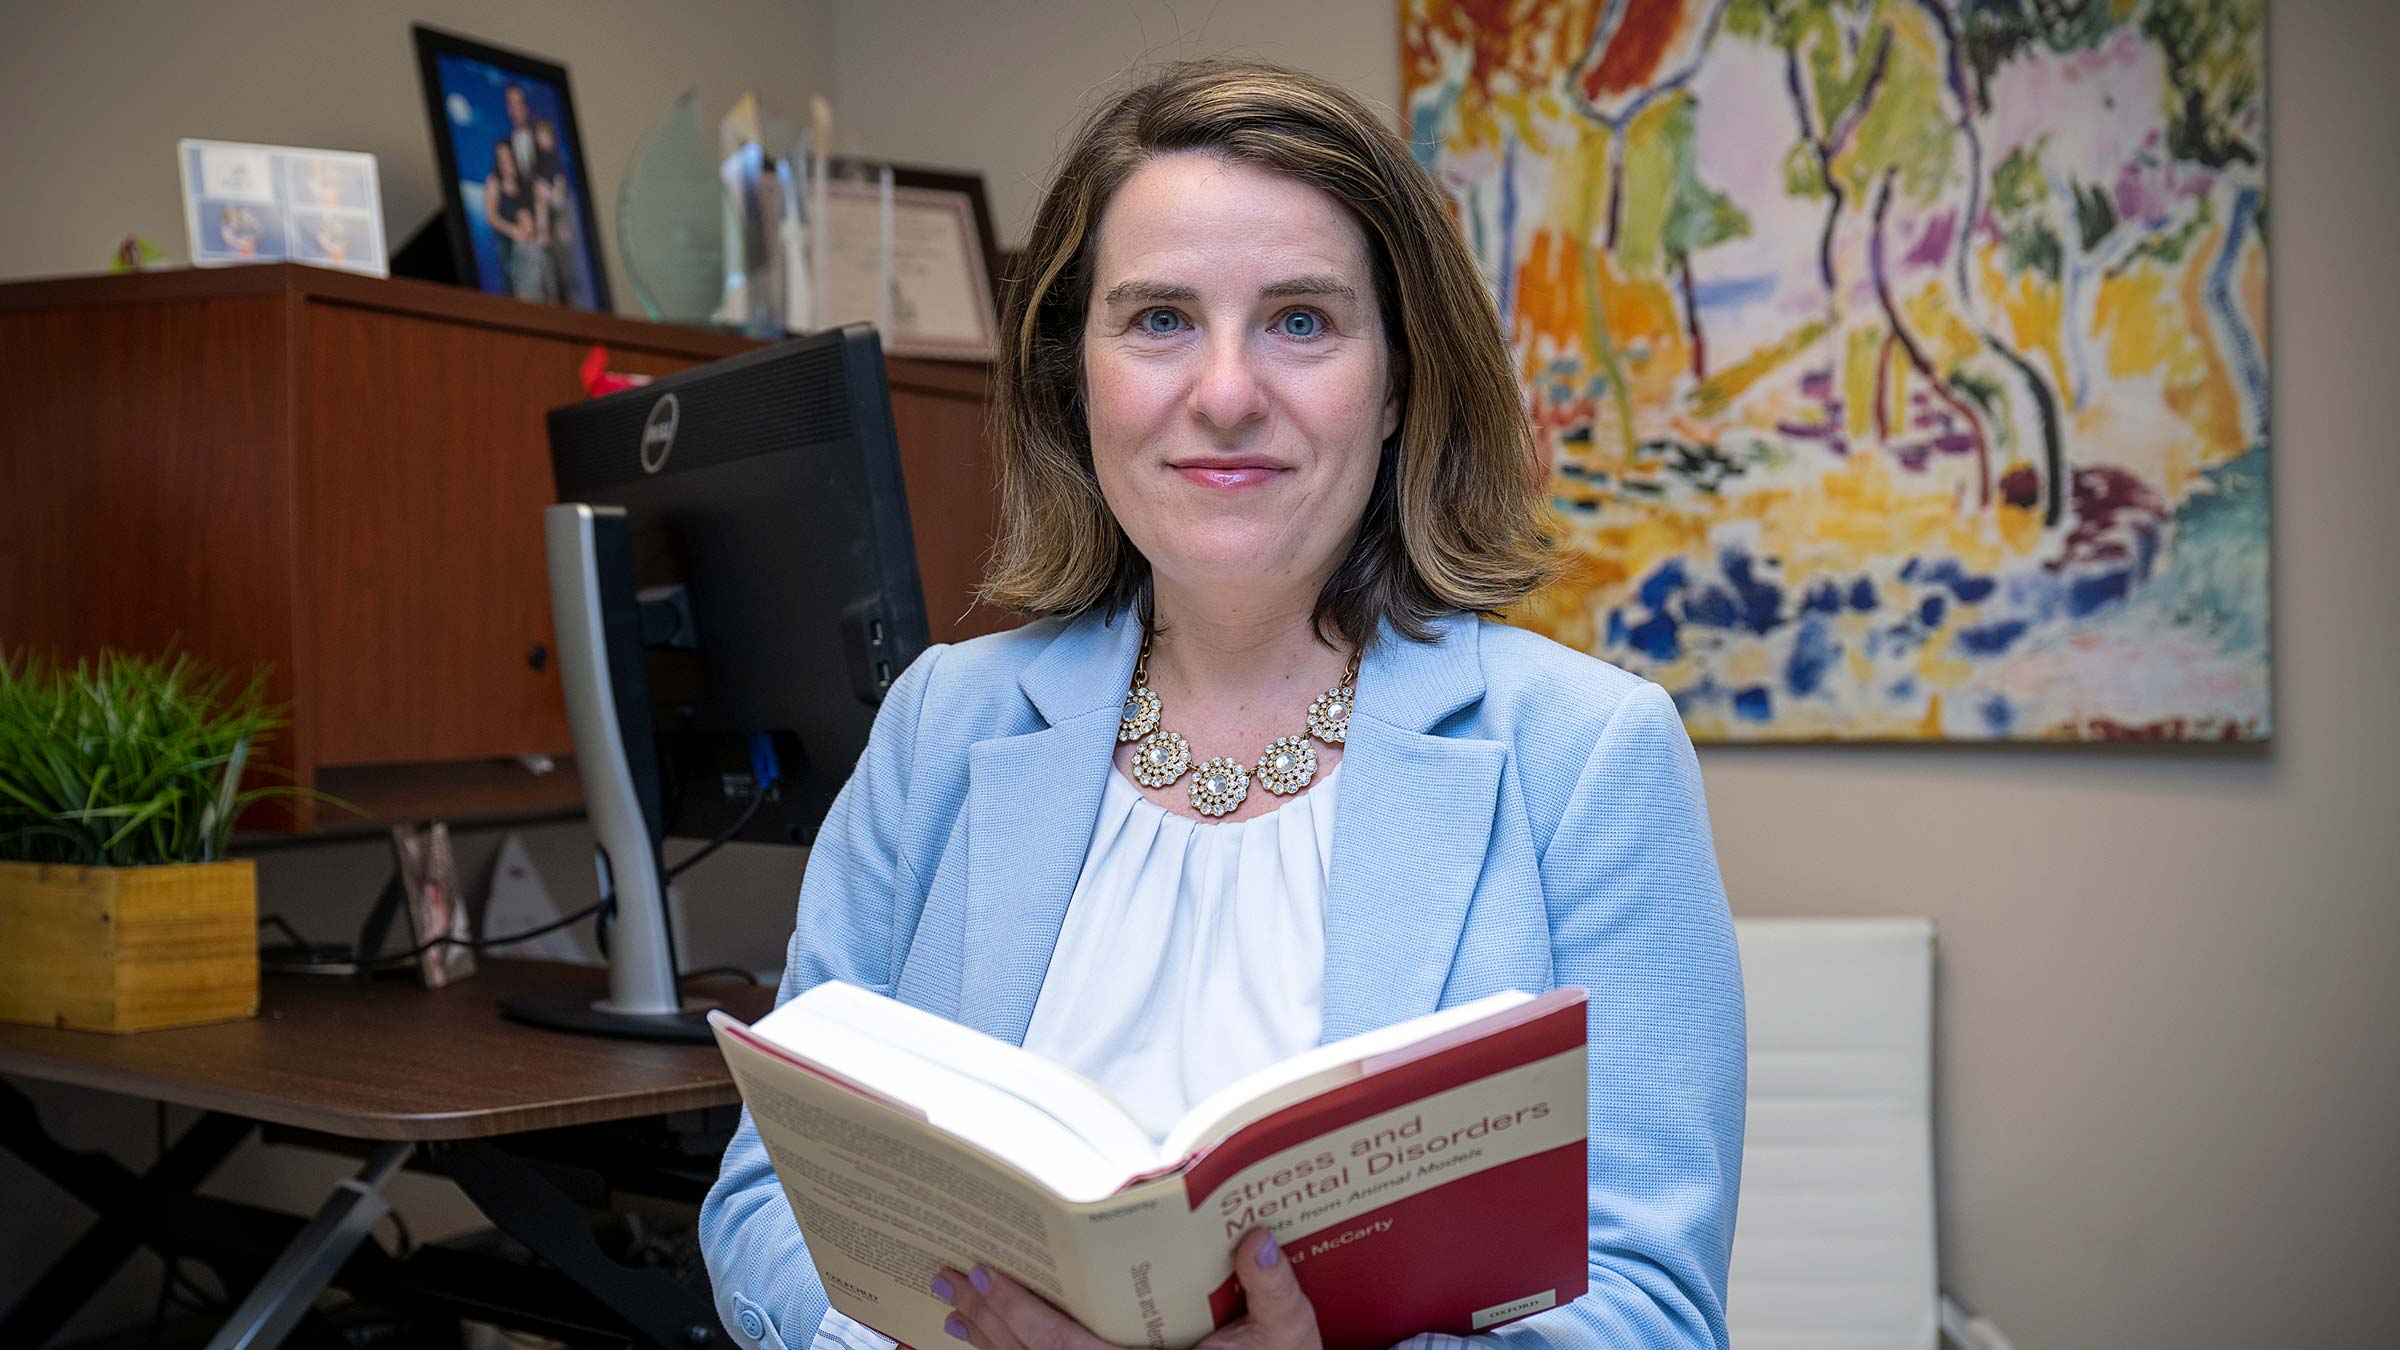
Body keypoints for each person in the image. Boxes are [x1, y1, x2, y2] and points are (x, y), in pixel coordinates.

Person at [699, 58, 1745, 1350]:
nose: (1229, 390)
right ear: (1074, 379)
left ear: (1402, 379)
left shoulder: (1586, 752)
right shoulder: (945, 724)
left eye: (1303, 319)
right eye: (1158, 320)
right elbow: (767, 1199)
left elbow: (1654, 1309)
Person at [483, 141, 549, 301]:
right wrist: (513, 230)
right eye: (501, 158)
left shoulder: (526, 181)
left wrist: (542, 233)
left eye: (508, 157)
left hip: (534, 246)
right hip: (511, 245)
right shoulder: (494, 181)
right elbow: (491, 217)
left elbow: (539, 208)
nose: (505, 162)